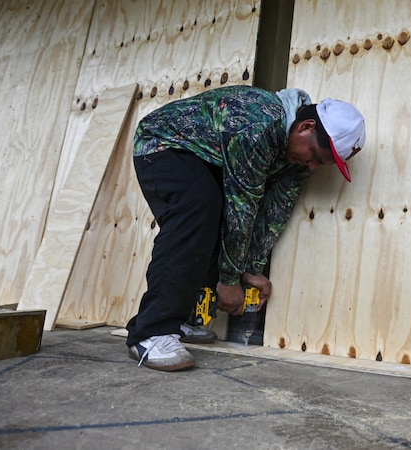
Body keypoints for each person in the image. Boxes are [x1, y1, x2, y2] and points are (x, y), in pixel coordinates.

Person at [125, 85, 366, 371]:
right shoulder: (258, 124)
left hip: (206, 159)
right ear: (306, 126)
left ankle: (181, 318)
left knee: (215, 214)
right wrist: (229, 281)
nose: (312, 166)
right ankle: (151, 331)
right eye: (314, 155)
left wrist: (251, 268)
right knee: (197, 209)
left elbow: (273, 211)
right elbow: (243, 207)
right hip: (163, 145)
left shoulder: (299, 160)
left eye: (321, 165)